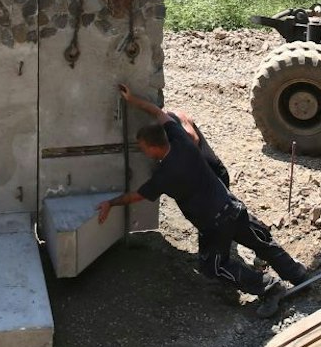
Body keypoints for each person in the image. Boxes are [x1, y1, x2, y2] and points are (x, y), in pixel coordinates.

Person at [96, 83, 309, 302]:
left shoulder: (164, 176)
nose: (142, 151)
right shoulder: (180, 141)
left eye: (143, 147)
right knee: (261, 242)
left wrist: (110, 203)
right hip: (233, 207)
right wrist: (133, 100)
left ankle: (268, 288)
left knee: (212, 266)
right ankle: (298, 275)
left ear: (153, 148)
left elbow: (135, 196)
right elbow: (158, 112)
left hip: (214, 225)